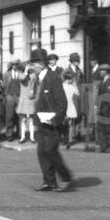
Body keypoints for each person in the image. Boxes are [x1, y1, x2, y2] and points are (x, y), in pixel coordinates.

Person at [29, 49, 73, 191]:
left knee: (50, 150)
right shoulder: (38, 79)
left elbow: (62, 102)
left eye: (33, 64)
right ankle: (49, 181)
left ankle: (66, 178)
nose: (31, 67)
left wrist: (55, 120)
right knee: (42, 151)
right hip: (41, 121)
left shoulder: (53, 78)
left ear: (40, 64)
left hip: (52, 123)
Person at [17, 63, 37, 144]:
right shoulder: (21, 75)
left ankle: (32, 137)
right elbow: (23, 78)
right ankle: (23, 137)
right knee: (23, 120)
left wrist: (31, 70)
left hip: (30, 99)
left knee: (31, 120)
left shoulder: (33, 75)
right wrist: (26, 71)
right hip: (23, 100)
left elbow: (34, 81)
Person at [62, 69, 81, 148]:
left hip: (70, 105)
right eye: (71, 79)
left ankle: (69, 140)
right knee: (64, 123)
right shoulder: (62, 86)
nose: (71, 81)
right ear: (67, 79)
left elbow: (77, 93)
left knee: (70, 124)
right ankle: (65, 138)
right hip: (64, 105)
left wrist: (75, 85)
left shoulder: (71, 86)